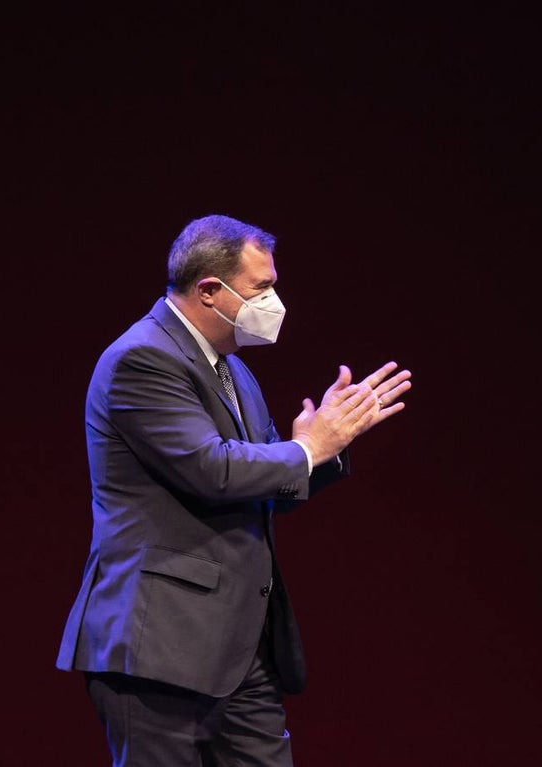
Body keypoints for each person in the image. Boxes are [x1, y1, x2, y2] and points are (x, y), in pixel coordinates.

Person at [56, 213, 412, 766]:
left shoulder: (233, 370)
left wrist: (325, 447)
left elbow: (265, 484)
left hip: (240, 648)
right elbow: (212, 470)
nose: (275, 301)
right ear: (209, 291)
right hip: (161, 647)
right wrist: (305, 450)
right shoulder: (142, 359)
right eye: (262, 288)